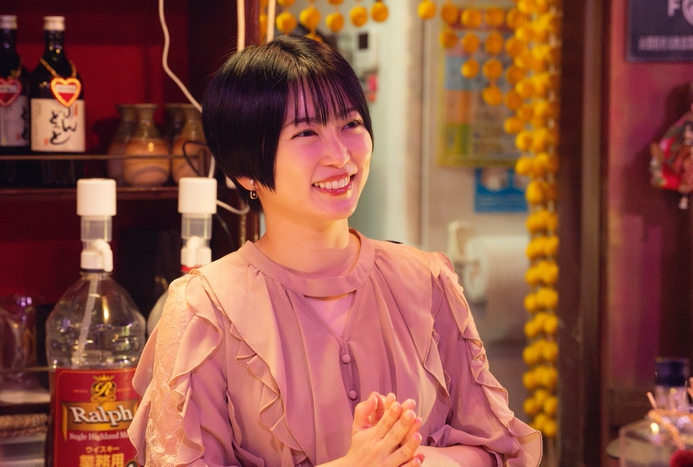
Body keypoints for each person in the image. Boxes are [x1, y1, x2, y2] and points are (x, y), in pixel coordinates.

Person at [128, 34, 542, 466]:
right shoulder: (203, 308)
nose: (341, 156)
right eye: (307, 132)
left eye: (351, 124)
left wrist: (409, 458)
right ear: (246, 170)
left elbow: (498, 450)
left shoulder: (427, 279)